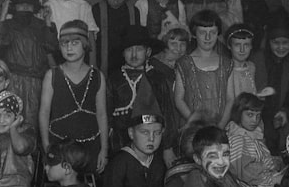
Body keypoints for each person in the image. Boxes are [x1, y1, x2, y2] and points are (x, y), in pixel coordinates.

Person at [39, 20, 109, 174]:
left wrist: (104, 149)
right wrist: (46, 145)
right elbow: (44, 112)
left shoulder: (97, 76)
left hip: (90, 145)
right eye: (64, 44)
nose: (69, 48)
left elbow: (102, 114)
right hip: (59, 145)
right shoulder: (52, 75)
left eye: (75, 43)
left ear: (85, 45)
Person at [107, 25, 175, 157]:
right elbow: (107, 112)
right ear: (123, 53)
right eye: (129, 50)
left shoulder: (158, 78)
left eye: (139, 49)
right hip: (120, 143)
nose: (133, 55)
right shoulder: (114, 79)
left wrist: (168, 147)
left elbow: (168, 114)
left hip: (152, 141)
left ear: (148, 52)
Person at [0, 0, 58, 129]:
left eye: (29, 6)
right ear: (14, 7)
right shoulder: (9, 25)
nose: (25, 8)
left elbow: (51, 47)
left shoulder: (42, 25)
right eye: (21, 5)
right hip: (13, 80)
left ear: (34, 7)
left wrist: (48, 21)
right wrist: (3, 15)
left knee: (33, 122)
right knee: (10, 119)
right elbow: (0, 42)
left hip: (36, 81)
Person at [250, 8, 289, 154]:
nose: (280, 47)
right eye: (275, 42)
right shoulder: (257, 59)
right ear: (268, 41)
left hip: (285, 113)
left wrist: (285, 110)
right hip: (258, 115)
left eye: (285, 43)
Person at [174, 9, 235, 127]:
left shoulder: (227, 64)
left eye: (212, 32)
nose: (208, 37)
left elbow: (230, 99)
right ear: (194, 34)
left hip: (219, 128)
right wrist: (196, 123)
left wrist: (220, 126)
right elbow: (179, 100)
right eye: (202, 32)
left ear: (218, 34)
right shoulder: (184, 63)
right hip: (192, 128)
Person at [224, 93, 285, 187]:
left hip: (265, 180)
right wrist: (268, 171)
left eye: (258, 115)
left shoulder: (252, 134)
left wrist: (274, 161)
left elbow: (262, 156)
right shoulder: (237, 138)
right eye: (250, 115)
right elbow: (242, 169)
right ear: (238, 113)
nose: (255, 120)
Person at [92, 0, 134, 74]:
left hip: (127, 61)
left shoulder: (133, 11)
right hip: (102, 61)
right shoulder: (97, 10)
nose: (116, 1)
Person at [225, 24, 261, 98]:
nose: (242, 50)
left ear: (251, 46)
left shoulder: (251, 66)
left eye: (246, 45)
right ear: (229, 46)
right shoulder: (225, 70)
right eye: (237, 45)